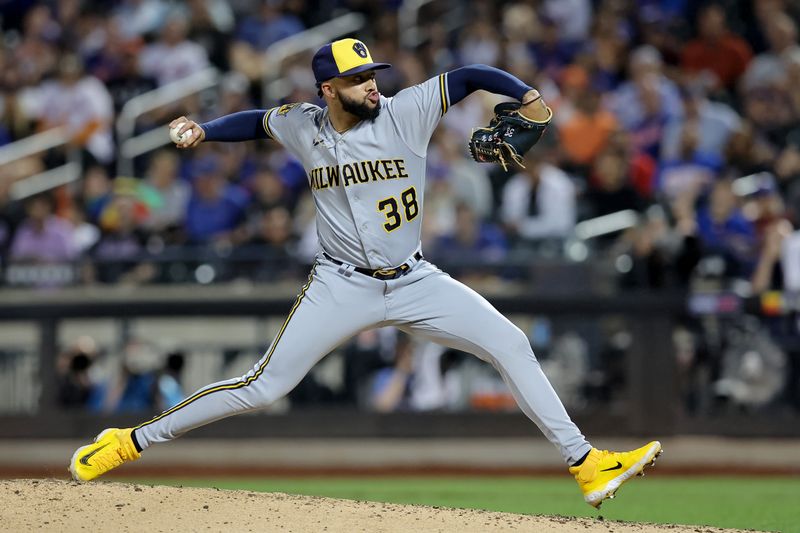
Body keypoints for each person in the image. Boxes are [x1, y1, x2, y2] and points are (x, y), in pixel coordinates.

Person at [69, 38, 661, 508]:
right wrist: (206, 129)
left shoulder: (405, 112)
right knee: (263, 387)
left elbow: (471, 75)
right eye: (356, 79)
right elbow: (258, 122)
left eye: (372, 74)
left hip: (416, 280)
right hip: (341, 284)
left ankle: (585, 463)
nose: (371, 85)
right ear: (328, 88)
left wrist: (529, 96)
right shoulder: (306, 123)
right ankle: (129, 441)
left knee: (510, 341)